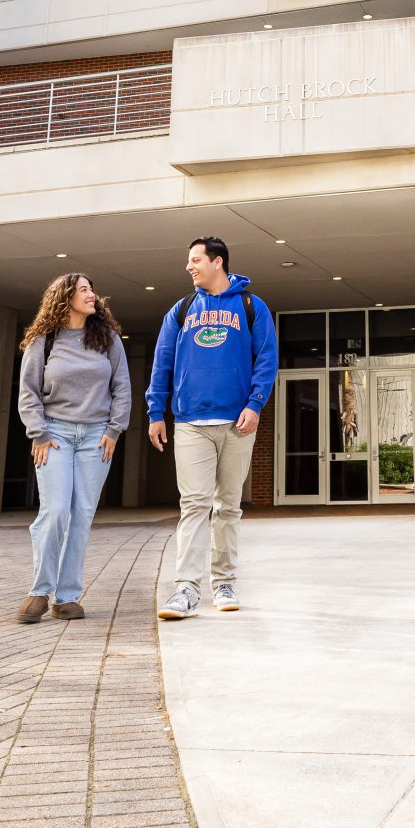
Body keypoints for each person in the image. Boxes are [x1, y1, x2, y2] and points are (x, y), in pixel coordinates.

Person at [147, 234, 276, 619]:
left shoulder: (252, 306)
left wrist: (255, 405)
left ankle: (224, 583)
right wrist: (156, 412)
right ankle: (185, 589)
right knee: (194, 505)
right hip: (190, 423)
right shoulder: (182, 309)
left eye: (195, 260)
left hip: (238, 423)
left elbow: (266, 359)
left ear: (217, 261)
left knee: (229, 506)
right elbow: (162, 362)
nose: (189, 266)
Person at [15, 272, 131, 625]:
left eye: (91, 289)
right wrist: (38, 433)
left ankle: (66, 598)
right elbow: (28, 392)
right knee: (54, 513)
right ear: (64, 297)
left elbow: (122, 387)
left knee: (81, 515)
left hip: (97, 438)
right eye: (83, 290)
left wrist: (114, 430)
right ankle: (39, 591)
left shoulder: (107, 339)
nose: (91, 294)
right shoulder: (44, 341)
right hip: (55, 434)